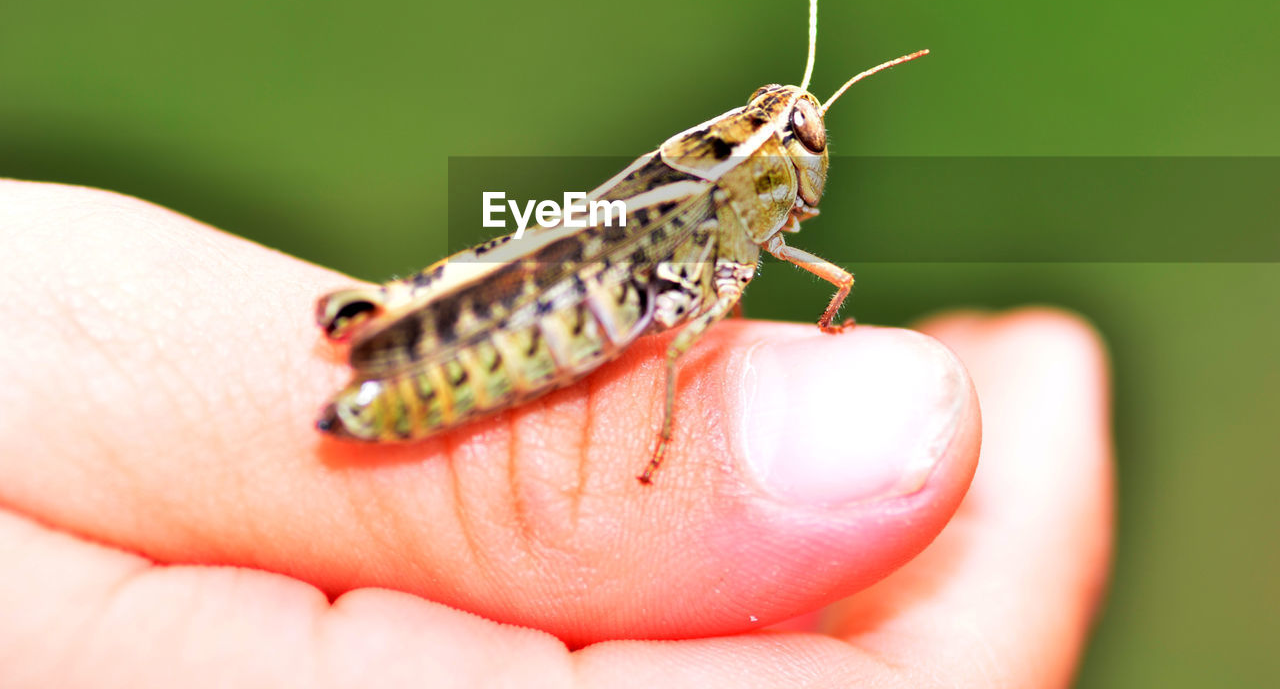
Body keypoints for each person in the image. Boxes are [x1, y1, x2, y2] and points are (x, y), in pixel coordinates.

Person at [0, 181, 1112, 687]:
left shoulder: (745, 234)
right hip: (566, 304)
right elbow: (679, 345)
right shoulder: (702, 210)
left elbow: (776, 300)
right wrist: (659, 453)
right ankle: (391, 335)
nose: (806, 173)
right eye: (790, 154)